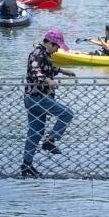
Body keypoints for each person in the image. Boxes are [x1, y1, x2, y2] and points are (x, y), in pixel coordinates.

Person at [21, 30, 76, 177]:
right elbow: (36, 70)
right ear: (50, 43)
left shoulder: (45, 54)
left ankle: (26, 166)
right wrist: (48, 81)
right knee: (67, 114)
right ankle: (50, 141)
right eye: (57, 46)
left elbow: (48, 68)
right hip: (38, 97)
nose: (58, 49)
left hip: (35, 99)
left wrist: (64, 71)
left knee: (35, 133)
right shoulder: (36, 54)